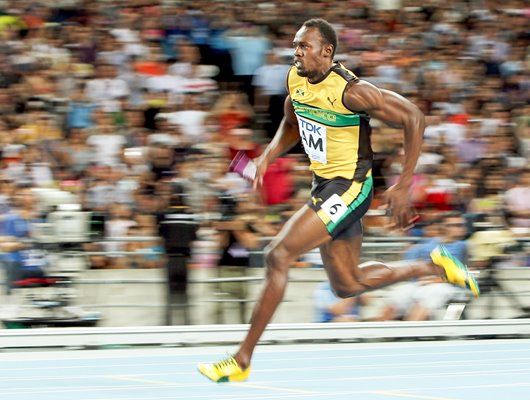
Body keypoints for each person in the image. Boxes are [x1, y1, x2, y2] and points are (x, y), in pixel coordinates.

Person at [197, 18, 480, 383]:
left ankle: (241, 360)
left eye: (304, 46)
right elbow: (293, 118)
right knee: (346, 285)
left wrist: (403, 184)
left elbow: (414, 116)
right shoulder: (295, 78)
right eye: (295, 45)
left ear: (326, 51)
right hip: (324, 186)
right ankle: (433, 268)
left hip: (351, 188)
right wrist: (267, 157)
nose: (296, 51)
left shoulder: (353, 91)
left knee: (277, 255)